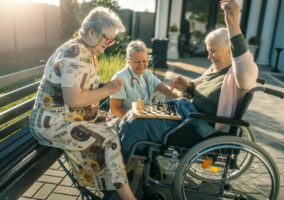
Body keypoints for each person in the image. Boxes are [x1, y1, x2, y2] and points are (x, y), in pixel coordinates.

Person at [119, 0, 258, 162]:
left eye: (213, 51)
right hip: (184, 111)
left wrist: (231, 21)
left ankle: (122, 166)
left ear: (230, 49)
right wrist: (187, 86)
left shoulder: (239, 74)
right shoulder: (215, 69)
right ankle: (131, 159)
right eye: (208, 51)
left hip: (195, 124)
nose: (209, 56)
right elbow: (196, 88)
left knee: (138, 122)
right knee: (136, 110)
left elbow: (242, 60)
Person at [29, 7, 136, 200]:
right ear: (92, 32)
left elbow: (83, 89)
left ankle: (114, 180)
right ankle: (127, 196)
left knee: (115, 121)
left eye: (112, 40)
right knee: (109, 139)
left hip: (69, 117)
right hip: (51, 124)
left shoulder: (86, 50)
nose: (110, 44)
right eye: (108, 39)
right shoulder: (75, 53)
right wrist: (108, 90)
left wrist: (107, 86)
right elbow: (75, 99)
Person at [110, 40, 181, 118]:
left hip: (145, 117)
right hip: (125, 121)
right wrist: (136, 119)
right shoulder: (120, 78)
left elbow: (166, 89)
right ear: (128, 61)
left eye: (144, 61)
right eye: (137, 62)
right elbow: (115, 109)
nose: (141, 65)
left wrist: (180, 95)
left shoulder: (147, 74)